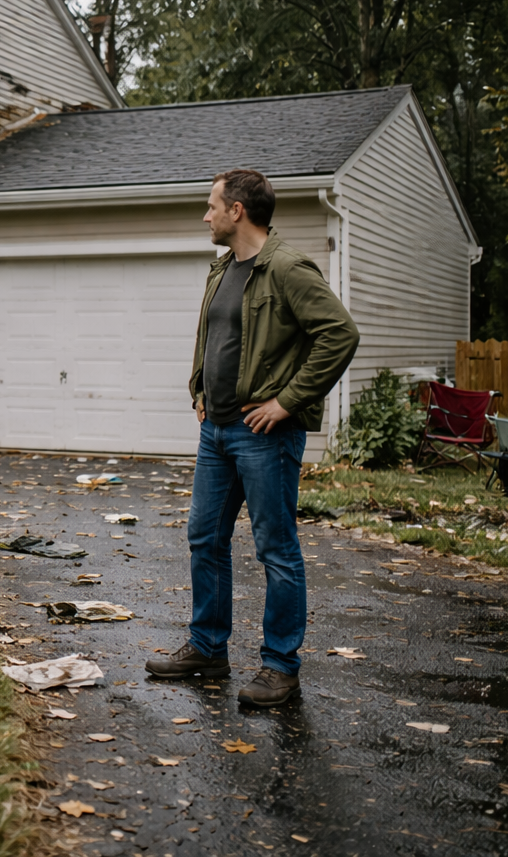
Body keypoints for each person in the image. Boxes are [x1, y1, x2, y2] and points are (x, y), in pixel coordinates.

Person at [145, 169, 359, 706]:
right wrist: (198, 388)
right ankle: (207, 648)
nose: (206, 215)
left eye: (212, 205)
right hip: (216, 431)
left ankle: (280, 667)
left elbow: (339, 334)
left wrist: (287, 401)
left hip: (264, 436)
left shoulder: (286, 267)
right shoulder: (222, 270)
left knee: (275, 549)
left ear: (237, 210)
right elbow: (212, 337)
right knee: (205, 538)